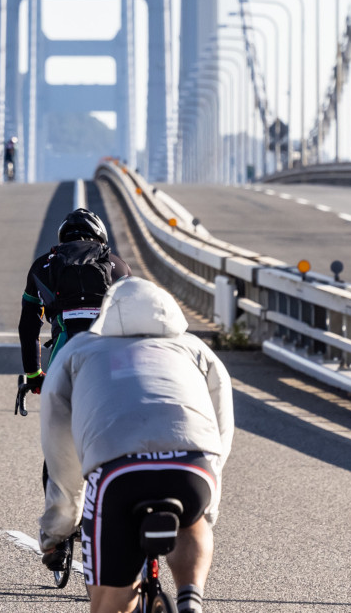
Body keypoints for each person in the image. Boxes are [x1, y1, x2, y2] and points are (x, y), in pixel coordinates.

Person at [39, 277, 233, 613]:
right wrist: (208, 502)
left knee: (107, 600)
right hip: (192, 464)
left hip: (119, 470)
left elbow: (59, 448)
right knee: (194, 520)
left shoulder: (79, 349)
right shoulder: (195, 348)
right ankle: (190, 598)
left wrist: (59, 527)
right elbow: (222, 424)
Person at [20, 208, 131, 394]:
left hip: (65, 346)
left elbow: (28, 326)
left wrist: (33, 374)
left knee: (56, 406)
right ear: (100, 237)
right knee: (121, 401)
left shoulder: (42, 266)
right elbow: (132, 319)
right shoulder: (120, 266)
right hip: (108, 350)